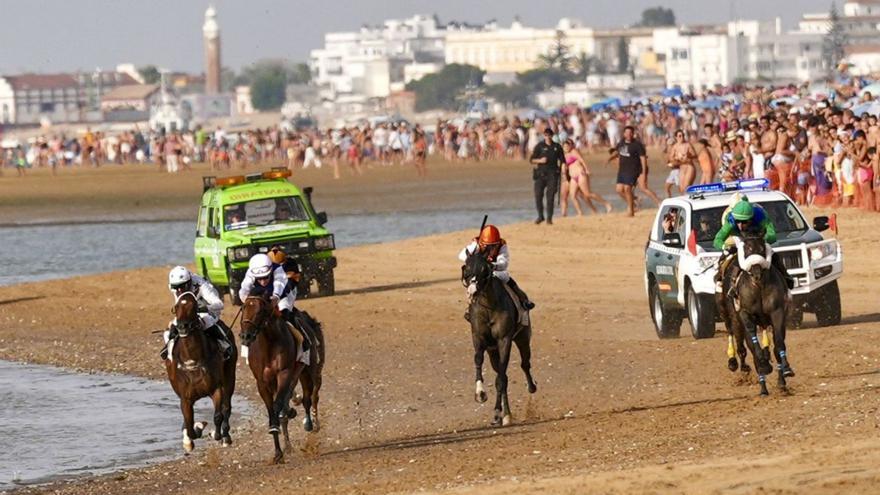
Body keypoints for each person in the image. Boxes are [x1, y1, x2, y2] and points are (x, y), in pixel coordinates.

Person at [712, 197, 793, 298]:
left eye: (745, 222)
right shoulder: (730, 220)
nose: (740, 225)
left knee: (773, 255)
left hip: (758, 236)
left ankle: (785, 276)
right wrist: (726, 247)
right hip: (740, 237)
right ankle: (726, 283)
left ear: (752, 218)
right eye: (738, 221)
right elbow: (717, 240)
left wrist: (760, 241)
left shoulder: (761, 216)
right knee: (732, 256)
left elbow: (772, 236)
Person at [239, 253, 310, 355]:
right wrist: (248, 301)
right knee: (249, 316)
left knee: (285, 312)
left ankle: (304, 341)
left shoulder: (277, 269)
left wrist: (275, 297)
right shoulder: (251, 272)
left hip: (283, 295)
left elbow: (279, 285)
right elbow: (244, 289)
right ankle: (246, 350)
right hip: (262, 297)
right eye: (259, 279)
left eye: (266, 277)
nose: (263, 281)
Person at [458, 225, 534, 321]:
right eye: (488, 245)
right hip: (479, 272)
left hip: (496, 271)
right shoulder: (476, 244)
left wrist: (492, 265)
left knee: (506, 278)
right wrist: (474, 260)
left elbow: (504, 263)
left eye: (494, 245)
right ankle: (470, 309)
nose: (491, 248)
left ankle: (522, 300)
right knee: (473, 285)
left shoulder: (502, 245)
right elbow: (461, 255)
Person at [161, 266, 233, 361]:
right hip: (189, 311)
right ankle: (170, 354)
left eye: (182, 287)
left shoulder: (201, 285)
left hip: (208, 310)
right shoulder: (177, 287)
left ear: (189, 282)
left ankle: (223, 343)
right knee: (170, 328)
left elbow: (219, 304)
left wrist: (203, 308)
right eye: (176, 288)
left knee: (206, 320)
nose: (179, 291)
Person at [607, 126, 647, 216]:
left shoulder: (637, 145)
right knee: (619, 190)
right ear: (624, 134)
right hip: (622, 170)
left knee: (627, 189)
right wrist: (610, 159)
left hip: (633, 170)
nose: (628, 135)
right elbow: (617, 152)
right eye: (627, 133)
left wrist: (643, 172)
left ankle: (631, 211)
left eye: (630, 133)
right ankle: (634, 203)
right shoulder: (621, 143)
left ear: (633, 134)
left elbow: (643, 158)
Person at [529, 128, 564, 224]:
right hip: (540, 174)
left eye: (549, 135)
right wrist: (540, 160)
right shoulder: (539, 146)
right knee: (538, 195)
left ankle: (549, 218)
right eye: (545, 135)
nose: (547, 137)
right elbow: (531, 160)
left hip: (552, 174)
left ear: (552, 136)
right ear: (543, 136)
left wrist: (564, 170)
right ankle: (540, 216)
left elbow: (562, 160)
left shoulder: (557, 147)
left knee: (550, 196)